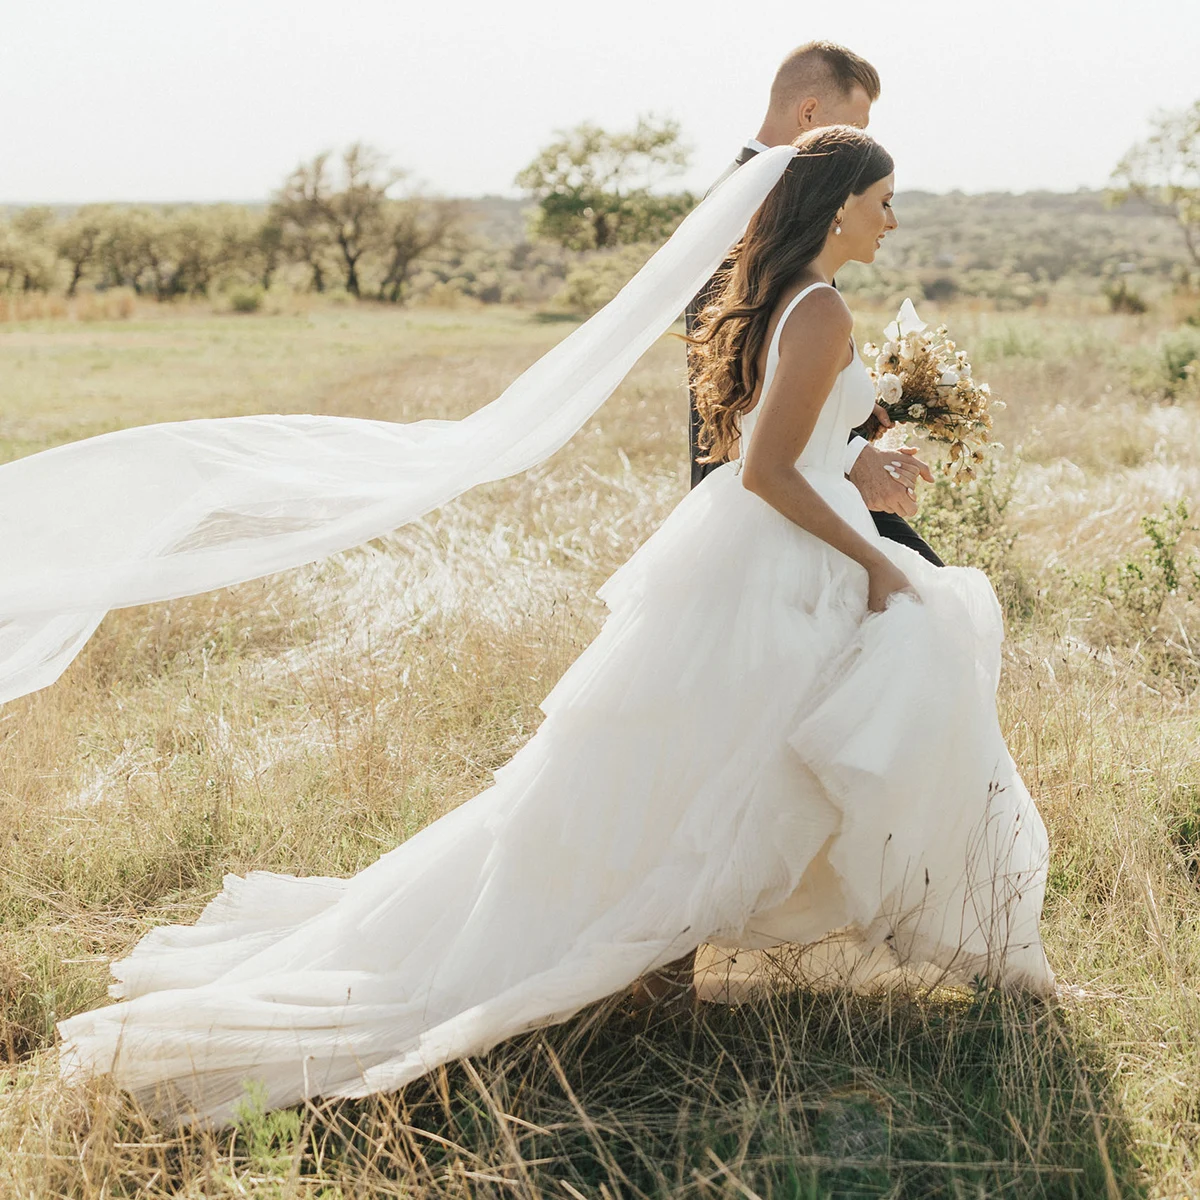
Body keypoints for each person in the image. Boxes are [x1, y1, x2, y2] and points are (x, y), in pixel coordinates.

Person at [55, 127, 1052, 1126]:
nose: (894, 219)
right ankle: (959, 939)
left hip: (750, 554)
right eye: (885, 200)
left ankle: (916, 934)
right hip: (778, 562)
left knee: (743, 750)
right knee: (915, 646)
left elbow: (780, 448)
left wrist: (859, 468)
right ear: (840, 206)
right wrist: (878, 558)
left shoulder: (787, 295)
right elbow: (768, 468)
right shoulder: (824, 308)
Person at [687, 41, 943, 566]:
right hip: (770, 496)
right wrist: (851, 454)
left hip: (803, 474)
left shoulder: (786, 199)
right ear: (809, 113)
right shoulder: (742, 206)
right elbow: (735, 370)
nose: (859, 144)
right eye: (855, 128)